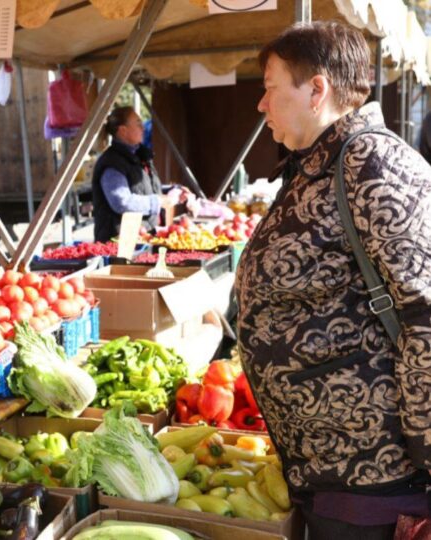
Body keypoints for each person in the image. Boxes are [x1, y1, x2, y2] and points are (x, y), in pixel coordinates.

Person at [235, 21, 431, 539]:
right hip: (330, 468)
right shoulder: (321, 163)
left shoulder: (373, 162)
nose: (262, 104)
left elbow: (425, 313)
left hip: (372, 477)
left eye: (271, 88)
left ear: (316, 90)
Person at [92, 106, 173, 242]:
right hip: (120, 244)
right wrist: (157, 202)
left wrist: (171, 191)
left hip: (143, 238)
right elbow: (122, 202)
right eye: (138, 123)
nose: (143, 128)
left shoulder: (140, 156)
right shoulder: (112, 163)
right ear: (123, 131)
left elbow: (145, 189)